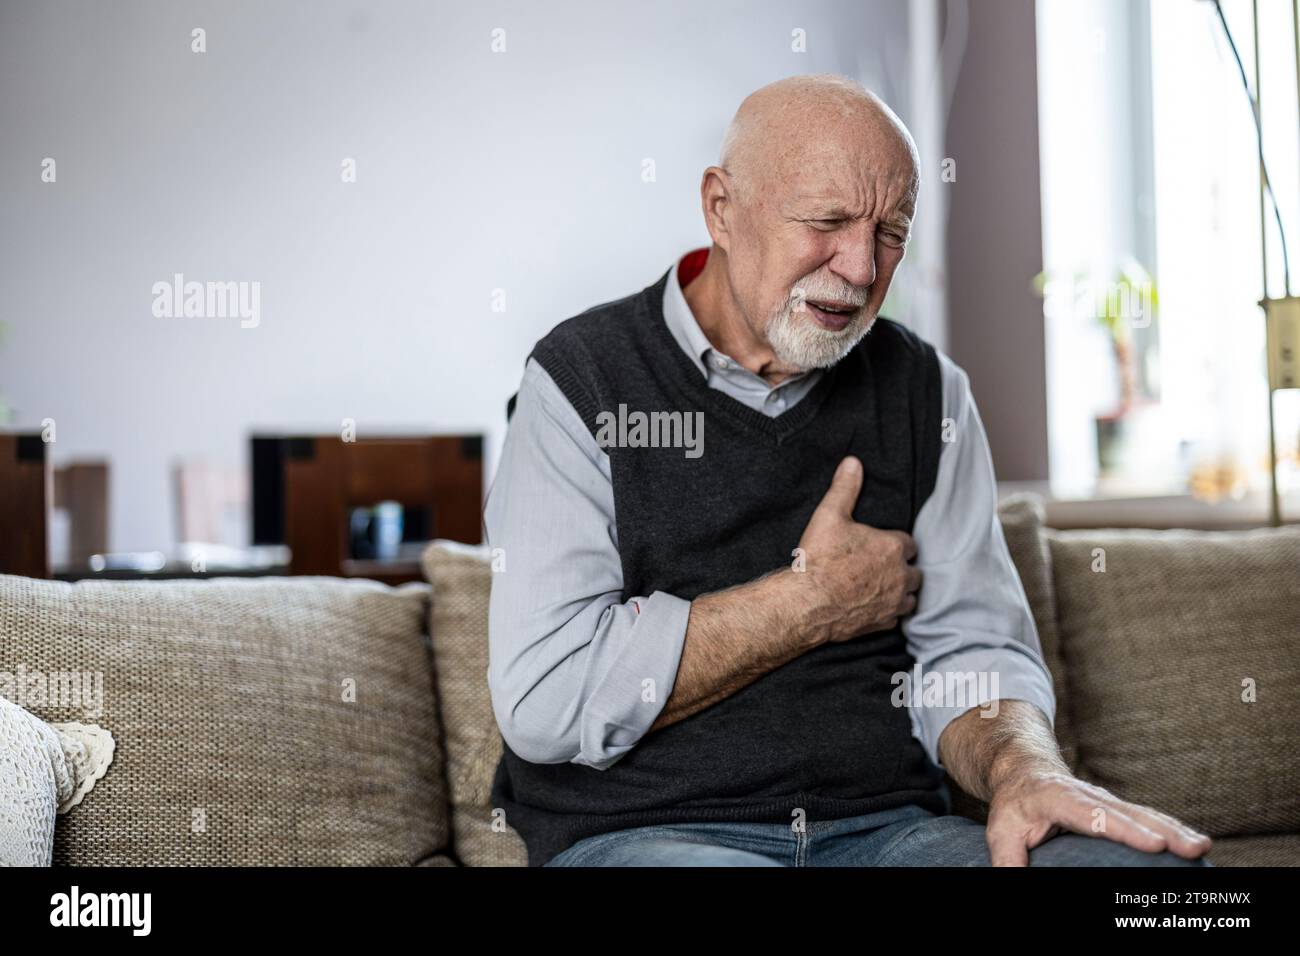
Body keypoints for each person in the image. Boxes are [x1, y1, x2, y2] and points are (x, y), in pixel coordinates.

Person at [485, 74, 1213, 868]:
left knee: (1170, 891)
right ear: (721, 208)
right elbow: (546, 698)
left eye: (891, 231)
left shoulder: (927, 392)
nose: (863, 269)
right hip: (649, 835)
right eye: (827, 221)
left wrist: (1022, 769)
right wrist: (812, 602)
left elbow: (970, 652)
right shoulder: (581, 380)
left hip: (893, 835)